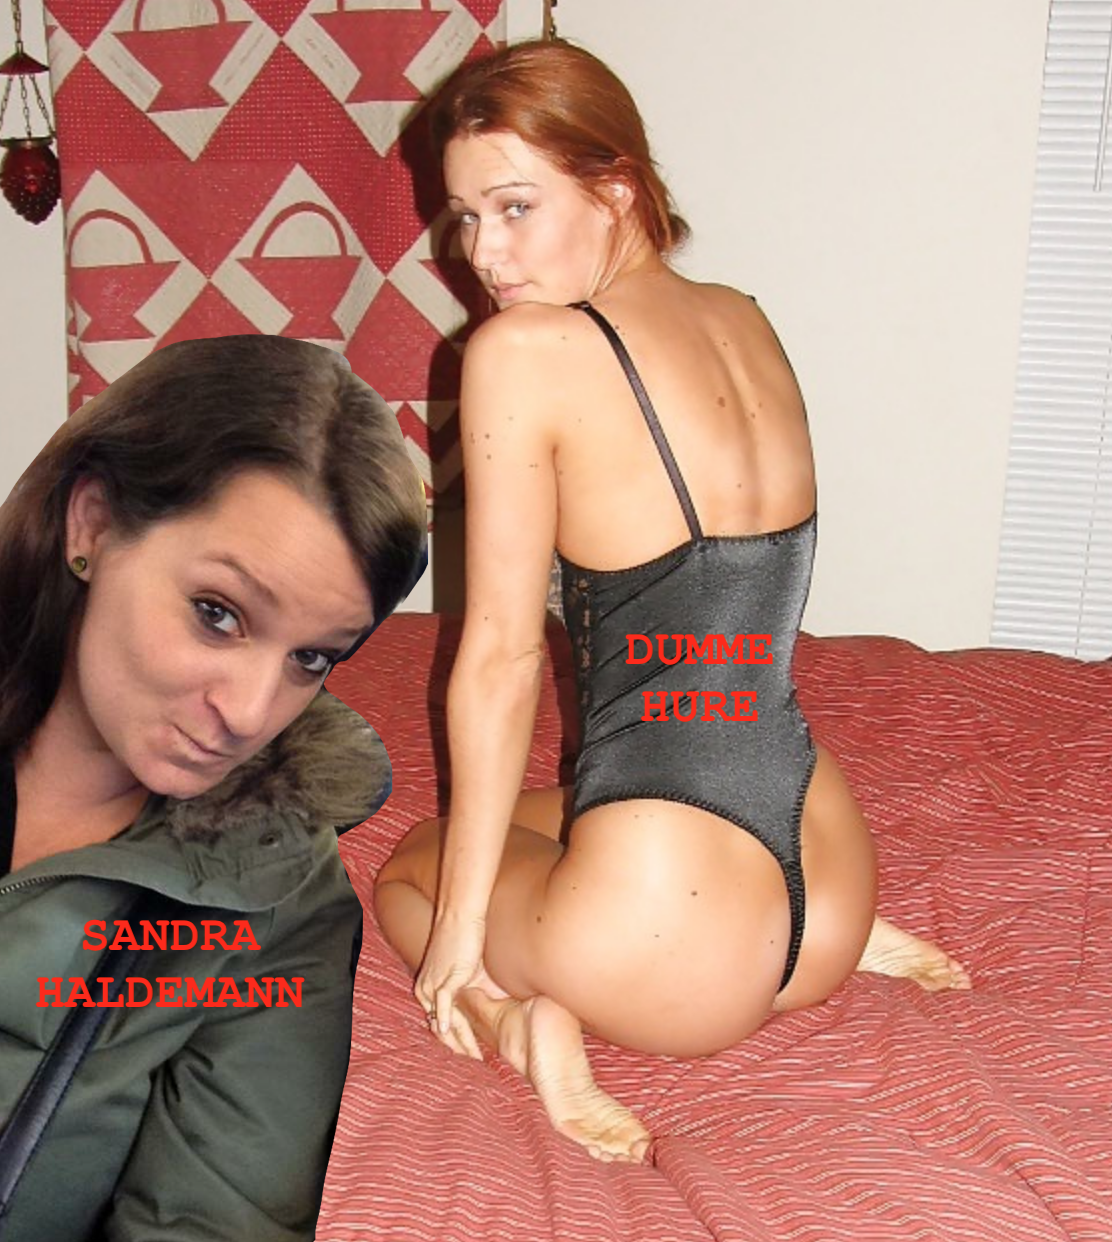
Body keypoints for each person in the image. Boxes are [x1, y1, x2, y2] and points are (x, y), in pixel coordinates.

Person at [374, 38, 968, 1164]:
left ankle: (519, 1028)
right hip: (825, 874)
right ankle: (803, 939)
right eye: (465, 220)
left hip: (666, 949)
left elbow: (500, 658)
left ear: (615, 187)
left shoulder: (524, 351)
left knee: (416, 863)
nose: (483, 255)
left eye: (514, 208)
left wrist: (459, 933)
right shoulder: (741, 316)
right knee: (559, 806)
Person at [0, 334, 427, 1239]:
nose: (249, 710)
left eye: (311, 658)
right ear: (92, 526)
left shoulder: (276, 904)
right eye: (218, 614)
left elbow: (218, 1217)